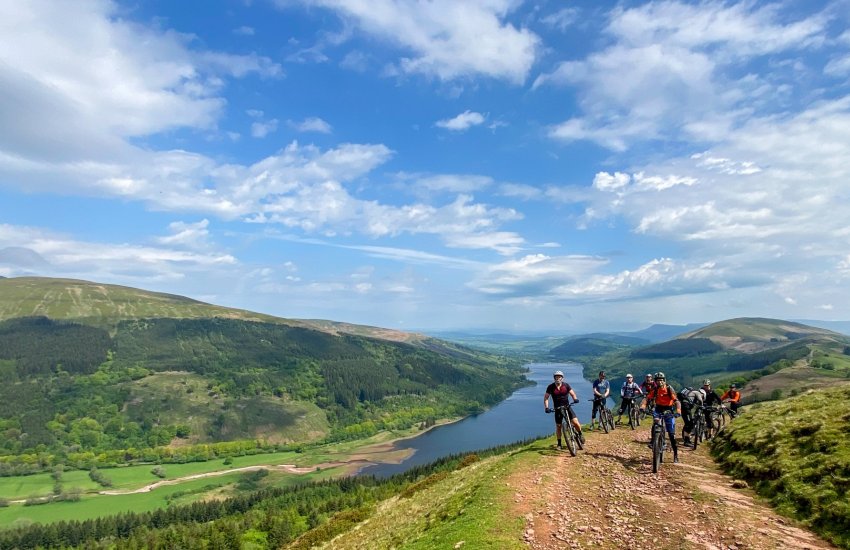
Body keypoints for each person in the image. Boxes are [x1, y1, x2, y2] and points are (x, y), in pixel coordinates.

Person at [640, 372, 682, 463]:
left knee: (671, 435)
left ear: (664, 380)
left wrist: (678, 411)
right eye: (658, 380)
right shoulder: (655, 389)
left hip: (668, 409)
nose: (659, 382)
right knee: (655, 423)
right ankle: (653, 442)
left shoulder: (669, 389)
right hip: (658, 408)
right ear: (655, 381)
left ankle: (675, 455)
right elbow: (647, 398)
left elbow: (677, 401)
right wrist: (643, 406)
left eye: (661, 380)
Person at [544, 370, 585, 449]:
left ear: (562, 378)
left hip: (567, 407)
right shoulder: (551, 387)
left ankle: (580, 434)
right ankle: (559, 444)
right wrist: (546, 408)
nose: (558, 378)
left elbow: (572, 393)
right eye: (556, 377)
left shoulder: (566, 385)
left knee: (576, 422)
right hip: (558, 409)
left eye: (559, 377)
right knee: (558, 426)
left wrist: (575, 399)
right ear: (554, 378)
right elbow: (546, 398)